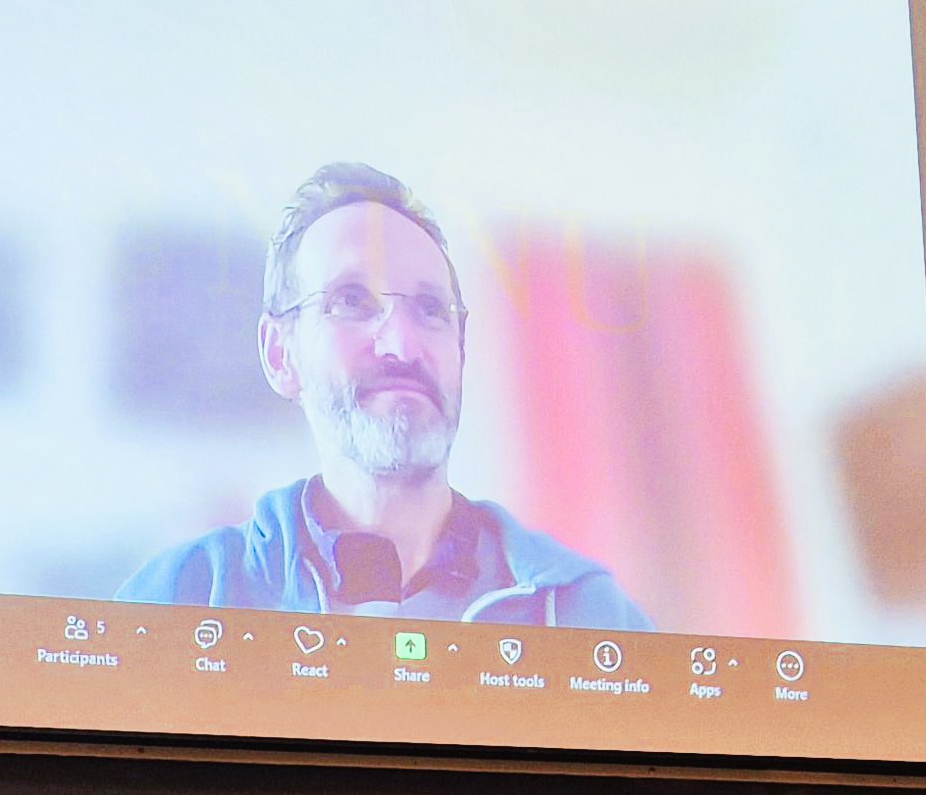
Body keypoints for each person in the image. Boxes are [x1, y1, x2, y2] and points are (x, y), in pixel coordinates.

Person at [116, 163, 645, 630]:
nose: (402, 344)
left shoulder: (589, 614)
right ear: (280, 354)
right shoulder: (175, 602)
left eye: (431, 310)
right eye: (350, 300)